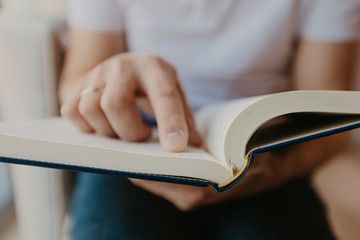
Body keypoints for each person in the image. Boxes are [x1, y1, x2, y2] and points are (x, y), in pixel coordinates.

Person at [59, 0, 360, 239]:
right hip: (137, 144)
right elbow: (74, 81)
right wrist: (104, 84)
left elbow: (329, 120)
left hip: (263, 151)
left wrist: (275, 170)